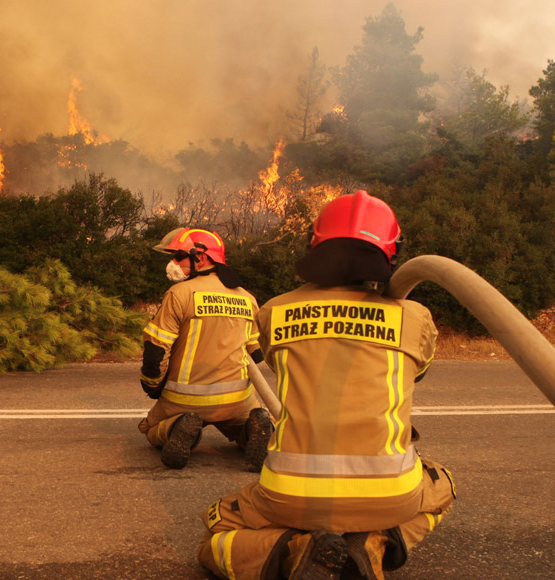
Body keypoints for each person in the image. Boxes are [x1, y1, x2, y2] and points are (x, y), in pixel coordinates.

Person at [195, 191, 455, 580]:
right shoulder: (415, 317)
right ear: (392, 253)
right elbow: (416, 373)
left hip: (287, 494)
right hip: (390, 494)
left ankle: (288, 549)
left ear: (314, 245)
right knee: (444, 486)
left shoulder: (273, 311)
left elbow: (277, 358)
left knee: (215, 530)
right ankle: (375, 545)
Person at [138, 227, 272, 471]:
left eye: (178, 256)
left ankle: (179, 425)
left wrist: (151, 384)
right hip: (236, 399)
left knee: (150, 428)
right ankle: (253, 430)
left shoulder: (179, 294)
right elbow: (257, 353)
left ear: (200, 257)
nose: (173, 263)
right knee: (246, 420)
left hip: (184, 399)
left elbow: (156, 350)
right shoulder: (247, 297)